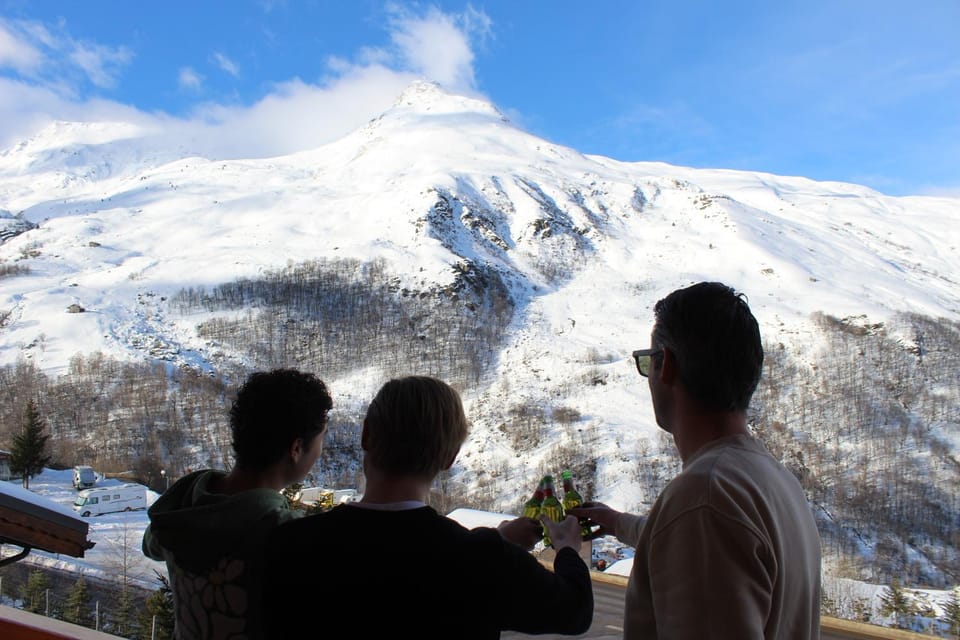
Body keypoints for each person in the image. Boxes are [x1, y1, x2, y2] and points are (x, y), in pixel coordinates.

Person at [569, 282, 822, 639]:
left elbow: (701, 525)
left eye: (648, 362)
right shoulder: (774, 480)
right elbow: (697, 542)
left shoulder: (704, 496)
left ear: (666, 364)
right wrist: (616, 523)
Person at [262, 375, 593, 639]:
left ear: (365, 436)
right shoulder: (481, 561)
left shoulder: (288, 544)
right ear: (449, 459)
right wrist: (567, 548)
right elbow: (575, 612)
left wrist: (495, 543)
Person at [142, 368, 333, 640]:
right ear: (296, 449)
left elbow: (151, 546)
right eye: (321, 438)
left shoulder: (184, 502)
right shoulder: (287, 535)